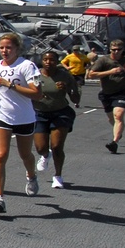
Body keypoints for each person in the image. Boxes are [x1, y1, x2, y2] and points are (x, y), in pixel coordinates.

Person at [0, 33, 43, 213]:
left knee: (26, 155)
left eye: (8, 47)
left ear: (17, 49)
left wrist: (11, 85)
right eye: (1, 47)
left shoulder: (28, 66)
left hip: (24, 117)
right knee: (0, 155)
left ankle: (31, 175)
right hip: (1, 115)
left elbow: (37, 94)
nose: (4, 51)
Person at [34, 50, 81, 189]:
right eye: (45, 59)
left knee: (56, 146)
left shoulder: (65, 76)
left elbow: (76, 98)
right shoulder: (36, 75)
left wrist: (67, 89)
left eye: (52, 60)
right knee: (41, 147)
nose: (48, 62)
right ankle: (45, 155)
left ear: (57, 61)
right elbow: (30, 92)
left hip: (60, 113)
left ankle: (58, 176)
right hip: (39, 114)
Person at [87, 39, 125, 153]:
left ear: (123, 50)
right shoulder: (103, 60)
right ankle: (118, 132)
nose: (116, 52)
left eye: (119, 50)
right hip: (107, 93)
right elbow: (91, 74)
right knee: (111, 118)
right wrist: (110, 72)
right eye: (114, 50)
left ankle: (114, 142)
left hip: (122, 92)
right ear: (110, 49)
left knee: (118, 115)